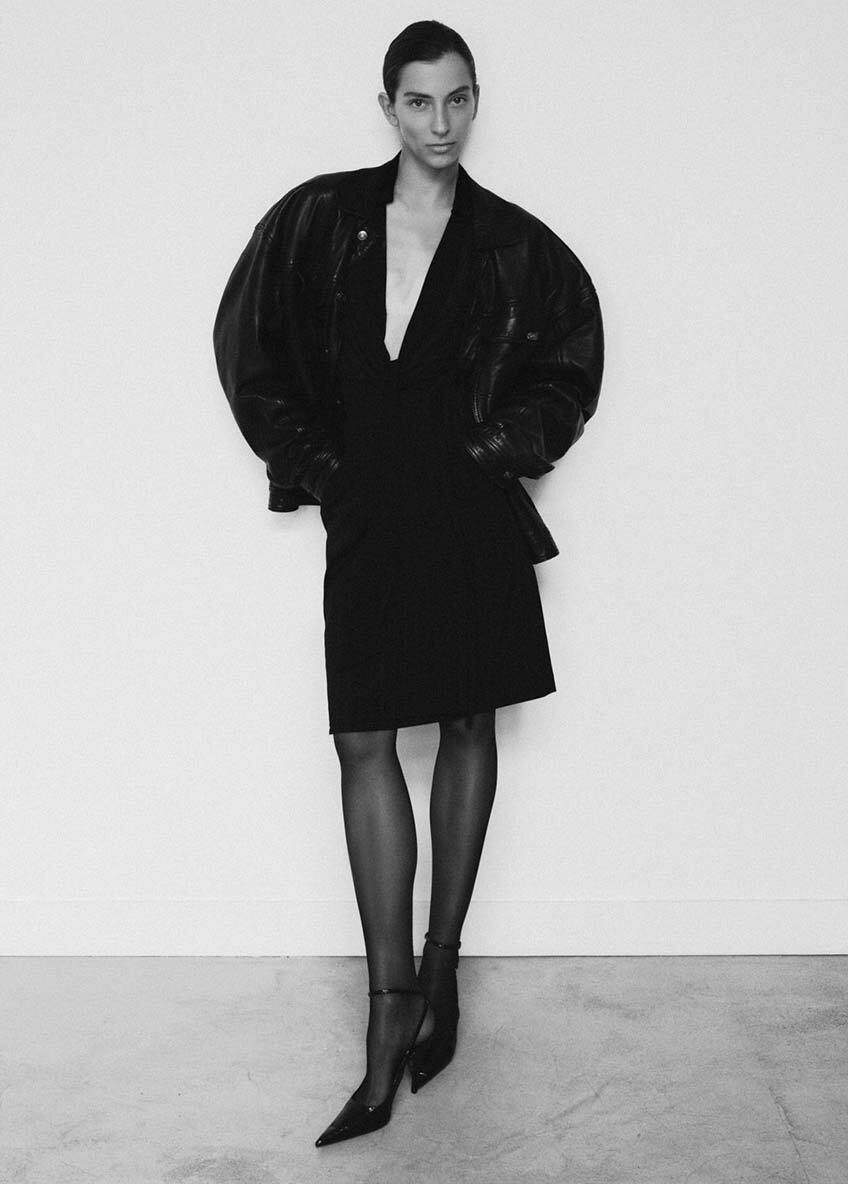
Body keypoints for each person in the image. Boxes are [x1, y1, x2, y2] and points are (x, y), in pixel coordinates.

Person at [213, 19, 604, 1147]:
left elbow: (570, 363)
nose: (441, 122)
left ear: (476, 103)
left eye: (459, 99)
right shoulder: (318, 220)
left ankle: (440, 971)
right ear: (385, 106)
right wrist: (324, 468)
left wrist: (491, 451)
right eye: (420, 101)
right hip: (371, 514)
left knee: (468, 720)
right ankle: (390, 1008)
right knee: (364, 740)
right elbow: (248, 348)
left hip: (469, 518)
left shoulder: (513, 244)